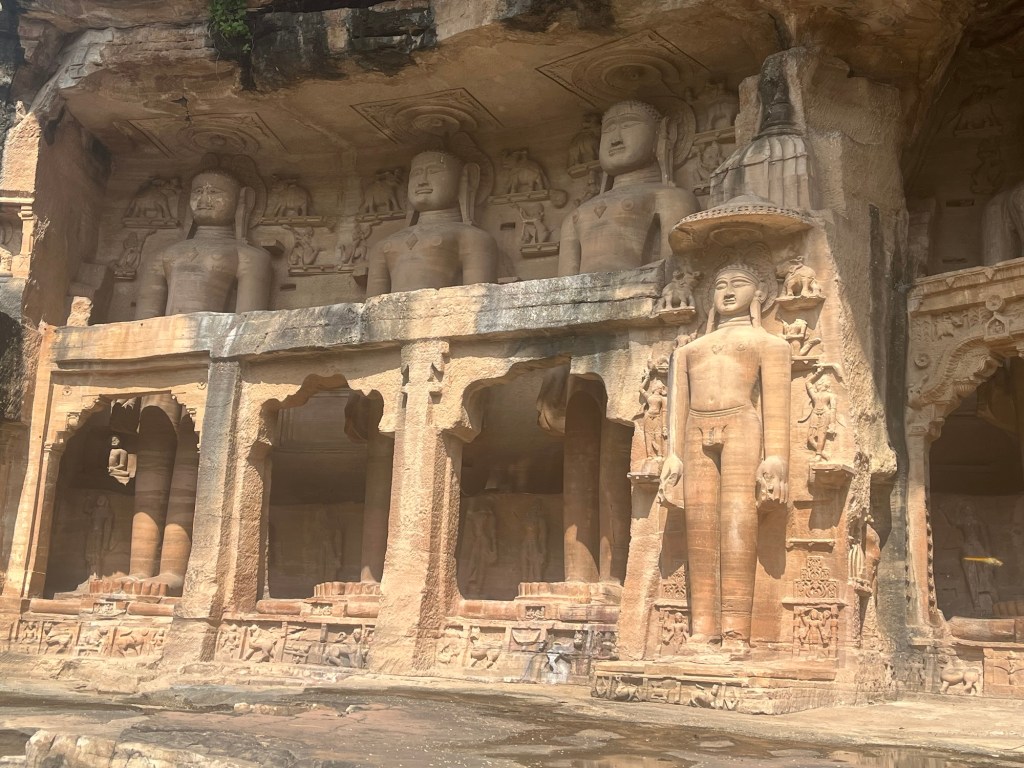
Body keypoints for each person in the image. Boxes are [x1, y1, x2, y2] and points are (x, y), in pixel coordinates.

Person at [661, 260, 791, 654]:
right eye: (720, 285)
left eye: (738, 284)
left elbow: (776, 405)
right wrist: (672, 456)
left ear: (760, 294)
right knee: (699, 529)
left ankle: (736, 632)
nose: (729, 292)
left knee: (738, 523)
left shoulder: (770, 344)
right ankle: (703, 630)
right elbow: (677, 408)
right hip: (695, 427)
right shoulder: (689, 351)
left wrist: (776, 459)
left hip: (742, 425)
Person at [558, 100, 699, 276]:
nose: (615, 140)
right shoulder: (574, 216)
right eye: (608, 129)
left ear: (664, 133)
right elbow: (563, 282)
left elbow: (676, 272)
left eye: (628, 124)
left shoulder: (671, 198)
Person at [365, 151, 498, 296]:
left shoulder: (473, 238)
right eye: (416, 174)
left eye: (434, 171)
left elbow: (478, 299)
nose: (422, 181)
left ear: (465, 180)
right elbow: (372, 302)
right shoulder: (382, 246)